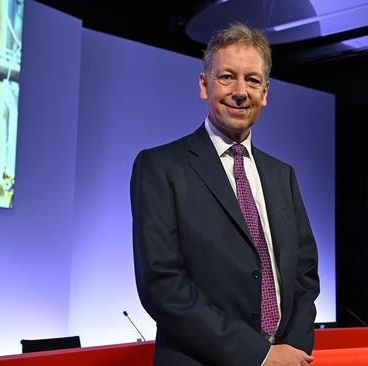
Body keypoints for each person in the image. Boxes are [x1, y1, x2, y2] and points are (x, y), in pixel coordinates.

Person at [130, 23, 320, 366]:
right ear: (204, 85)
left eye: (252, 80)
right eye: (227, 77)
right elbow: (162, 285)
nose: (240, 91)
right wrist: (260, 356)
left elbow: (304, 275)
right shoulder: (160, 167)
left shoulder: (283, 175)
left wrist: (290, 351)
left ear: (266, 92)